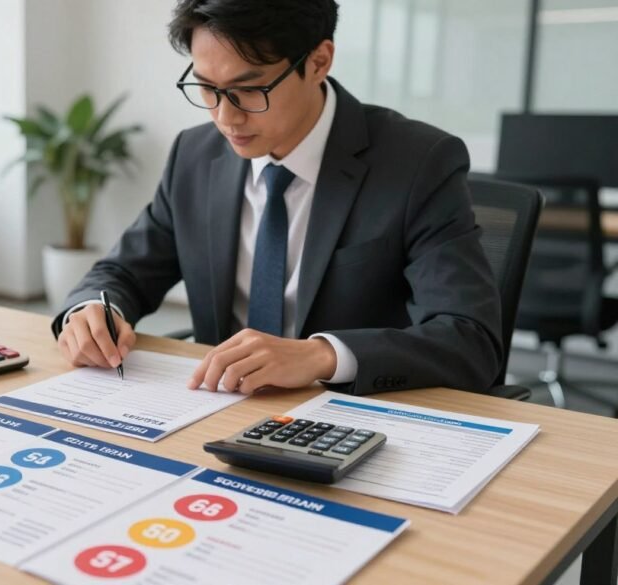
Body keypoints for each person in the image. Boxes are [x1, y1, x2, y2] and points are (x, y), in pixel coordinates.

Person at [52, 0, 502, 396]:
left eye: (250, 89)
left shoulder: (417, 163)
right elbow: (124, 271)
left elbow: (469, 338)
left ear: (319, 61)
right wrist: (93, 308)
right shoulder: (194, 155)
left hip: (347, 418)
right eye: (207, 87)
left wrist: (323, 356)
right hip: (214, 407)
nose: (225, 117)